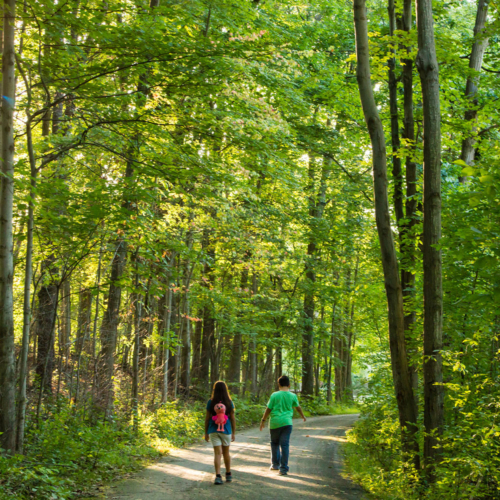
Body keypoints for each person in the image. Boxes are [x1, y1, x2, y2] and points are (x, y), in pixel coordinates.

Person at [259, 375, 306, 476]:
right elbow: (298, 408)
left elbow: (268, 409)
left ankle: (275, 464)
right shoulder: (293, 396)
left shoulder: (274, 395)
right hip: (287, 423)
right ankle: (283, 469)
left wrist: (263, 420)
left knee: (274, 443)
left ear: (278, 384)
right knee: (284, 445)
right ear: (289, 385)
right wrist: (303, 416)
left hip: (275, 423)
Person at [205, 380, 236, 485]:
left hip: (213, 431)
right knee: (226, 453)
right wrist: (233, 432)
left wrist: (206, 432)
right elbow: (232, 418)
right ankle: (228, 474)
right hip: (226, 431)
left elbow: (207, 418)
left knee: (217, 453)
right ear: (225, 390)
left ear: (214, 390)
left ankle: (218, 476)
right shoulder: (229, 402)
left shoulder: (211, 402)